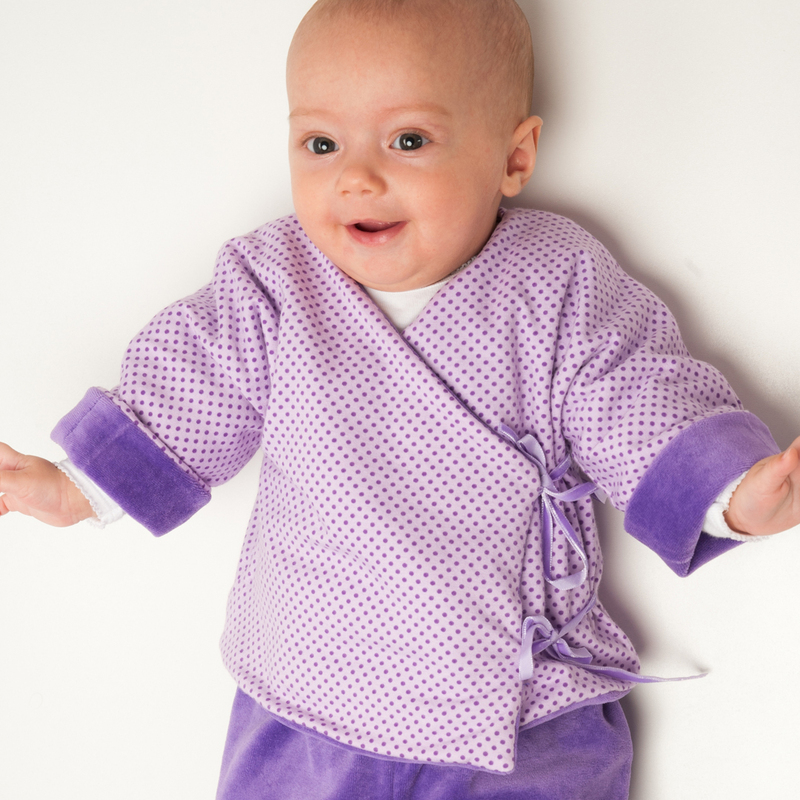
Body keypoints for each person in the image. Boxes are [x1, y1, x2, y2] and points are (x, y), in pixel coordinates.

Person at [1, 0, 799, 797]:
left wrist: (729, 496)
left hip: (520, 716)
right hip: (306, 707)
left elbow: (633, 397)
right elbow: (186, 390)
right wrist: (78, 488)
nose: (355, 176)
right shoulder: (273, 284)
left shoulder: (556, 282)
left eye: (408, 140)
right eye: (321, 143)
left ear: (514, 157)